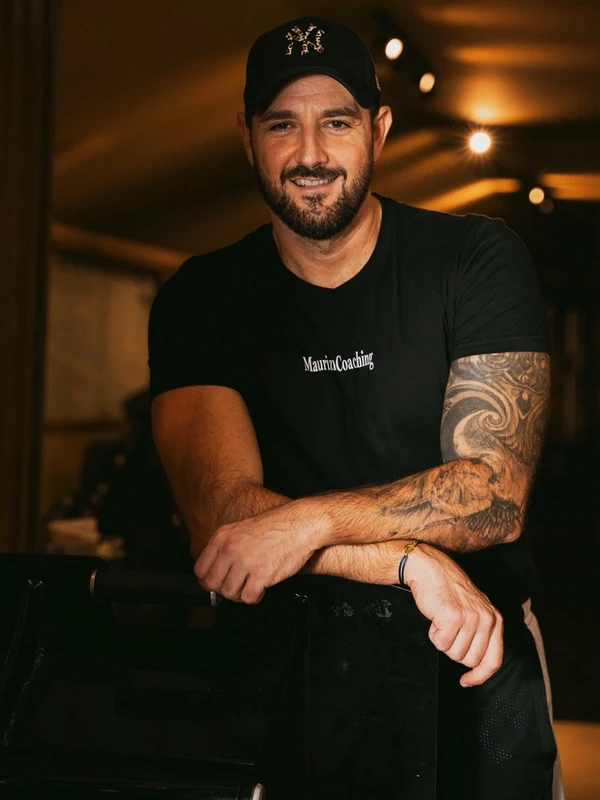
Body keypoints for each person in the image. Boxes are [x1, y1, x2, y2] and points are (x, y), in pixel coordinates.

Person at [148, 17, 561, 799]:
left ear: (380, 128)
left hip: (472, 644)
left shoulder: (474, 259)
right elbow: (226, 524)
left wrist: (308, 522)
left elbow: (494, 495)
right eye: (282, 124)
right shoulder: (202, 296)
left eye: (336, 122)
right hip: (285, 664)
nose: (310, 153)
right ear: (246, 137)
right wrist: (408, 562)